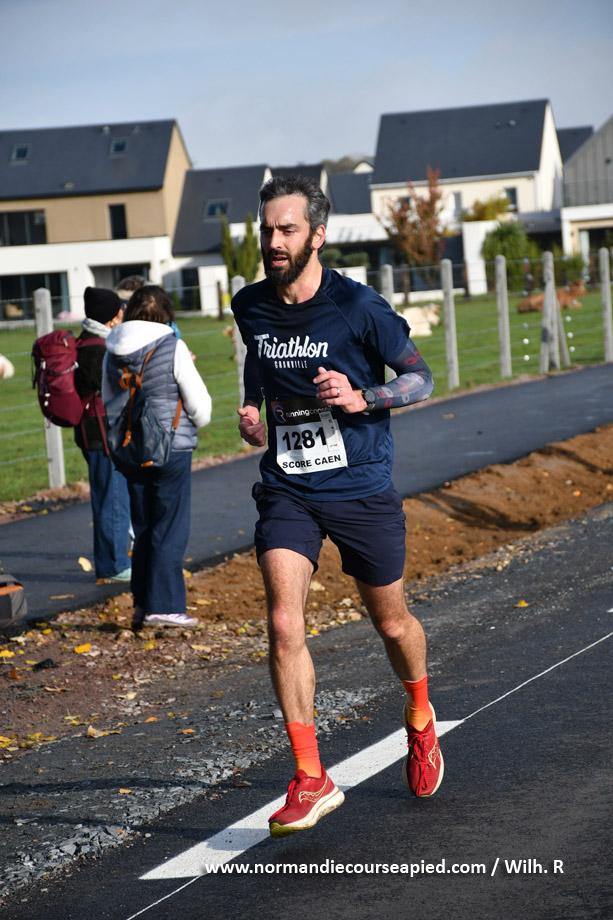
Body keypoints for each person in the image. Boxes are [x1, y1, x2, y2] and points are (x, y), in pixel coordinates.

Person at [231, 175, 442, 839]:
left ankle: (419, 715)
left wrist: (363, 398)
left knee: (392, 625)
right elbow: (259, 362)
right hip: (288, 485)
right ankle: (309, 775)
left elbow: (421, 378)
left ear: (317, 236)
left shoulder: (357, 306)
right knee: (282, 620)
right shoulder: (249, 305)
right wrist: (252, 410)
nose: (273, 241)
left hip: (360, 486)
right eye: (266, 229)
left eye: (287, 229)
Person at [102, 285, 212, 629]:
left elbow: (107, 400)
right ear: (166, 314)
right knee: (170, 526)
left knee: (144, 527)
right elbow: (201, 407)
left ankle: (142, 604)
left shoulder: (111, 350)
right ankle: (164, 607)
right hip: (170, 448)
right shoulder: (172, 345)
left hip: (131, 450)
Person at [75, 287, 132, 583]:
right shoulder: (100, 349)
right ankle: (114, 566)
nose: (123, 313)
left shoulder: (85, 342)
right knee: (112, 497)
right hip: (102, 432)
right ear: (111, 317)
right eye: (119, 309)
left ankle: (112, 562)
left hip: (91, 431)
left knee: (108, 495)